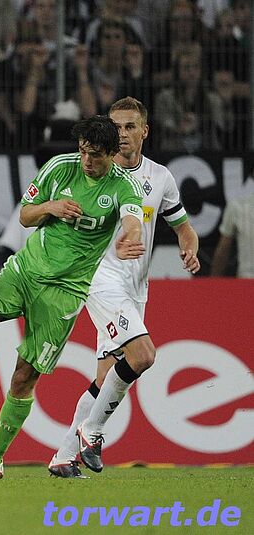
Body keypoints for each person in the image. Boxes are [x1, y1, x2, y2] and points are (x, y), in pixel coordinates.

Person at [0, 114, 145, 479]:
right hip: (24, 272)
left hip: (65, 293)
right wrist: (51, 208)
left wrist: (131, 237)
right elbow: (24, 216)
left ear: (112, 153)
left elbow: (133, 219)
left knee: (23, 378)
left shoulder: (123, 186)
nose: (86, 160)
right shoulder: (59, 168)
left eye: (95, 154)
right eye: (83, 151)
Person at [47, 97, 200, 478]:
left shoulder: (160, 177)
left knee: (107, 378)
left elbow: (183, 227)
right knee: (143, 355)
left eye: (130, 126)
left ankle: (64, 457)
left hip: (135, 287)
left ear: (145, 131)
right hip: (100, 278)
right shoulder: (97, 173)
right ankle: (92, 430)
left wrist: (189, 248)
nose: (122, 134)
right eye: (116, 127)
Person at [212, 191, 254, 278]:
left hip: (246, 279)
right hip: (246, 280)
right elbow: (223, 251)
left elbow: (223, 251)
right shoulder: (237, 207)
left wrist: (213, 282)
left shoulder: (238, 206)